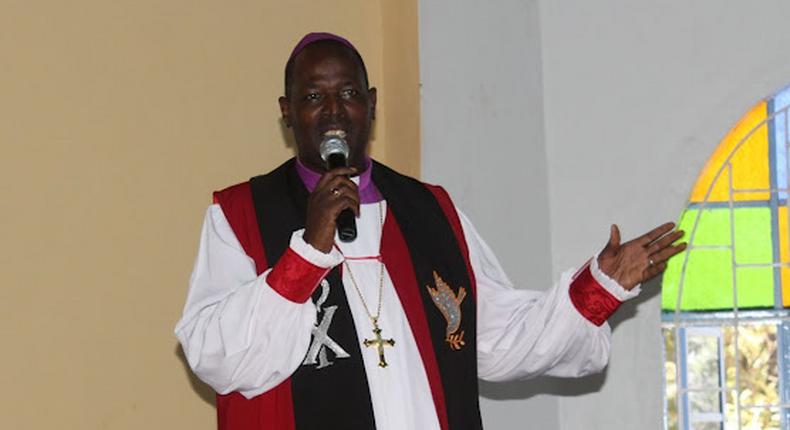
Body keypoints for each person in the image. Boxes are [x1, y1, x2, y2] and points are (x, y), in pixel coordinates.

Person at [174, 32, 686, 430]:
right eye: (313, 96)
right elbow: (216, 356)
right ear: (288, 112)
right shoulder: (240, 216)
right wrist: (305, 254)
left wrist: (598, 290)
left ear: (370, 104)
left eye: (348, 93)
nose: (333, 111)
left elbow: (497, 336)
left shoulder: (430, 211)